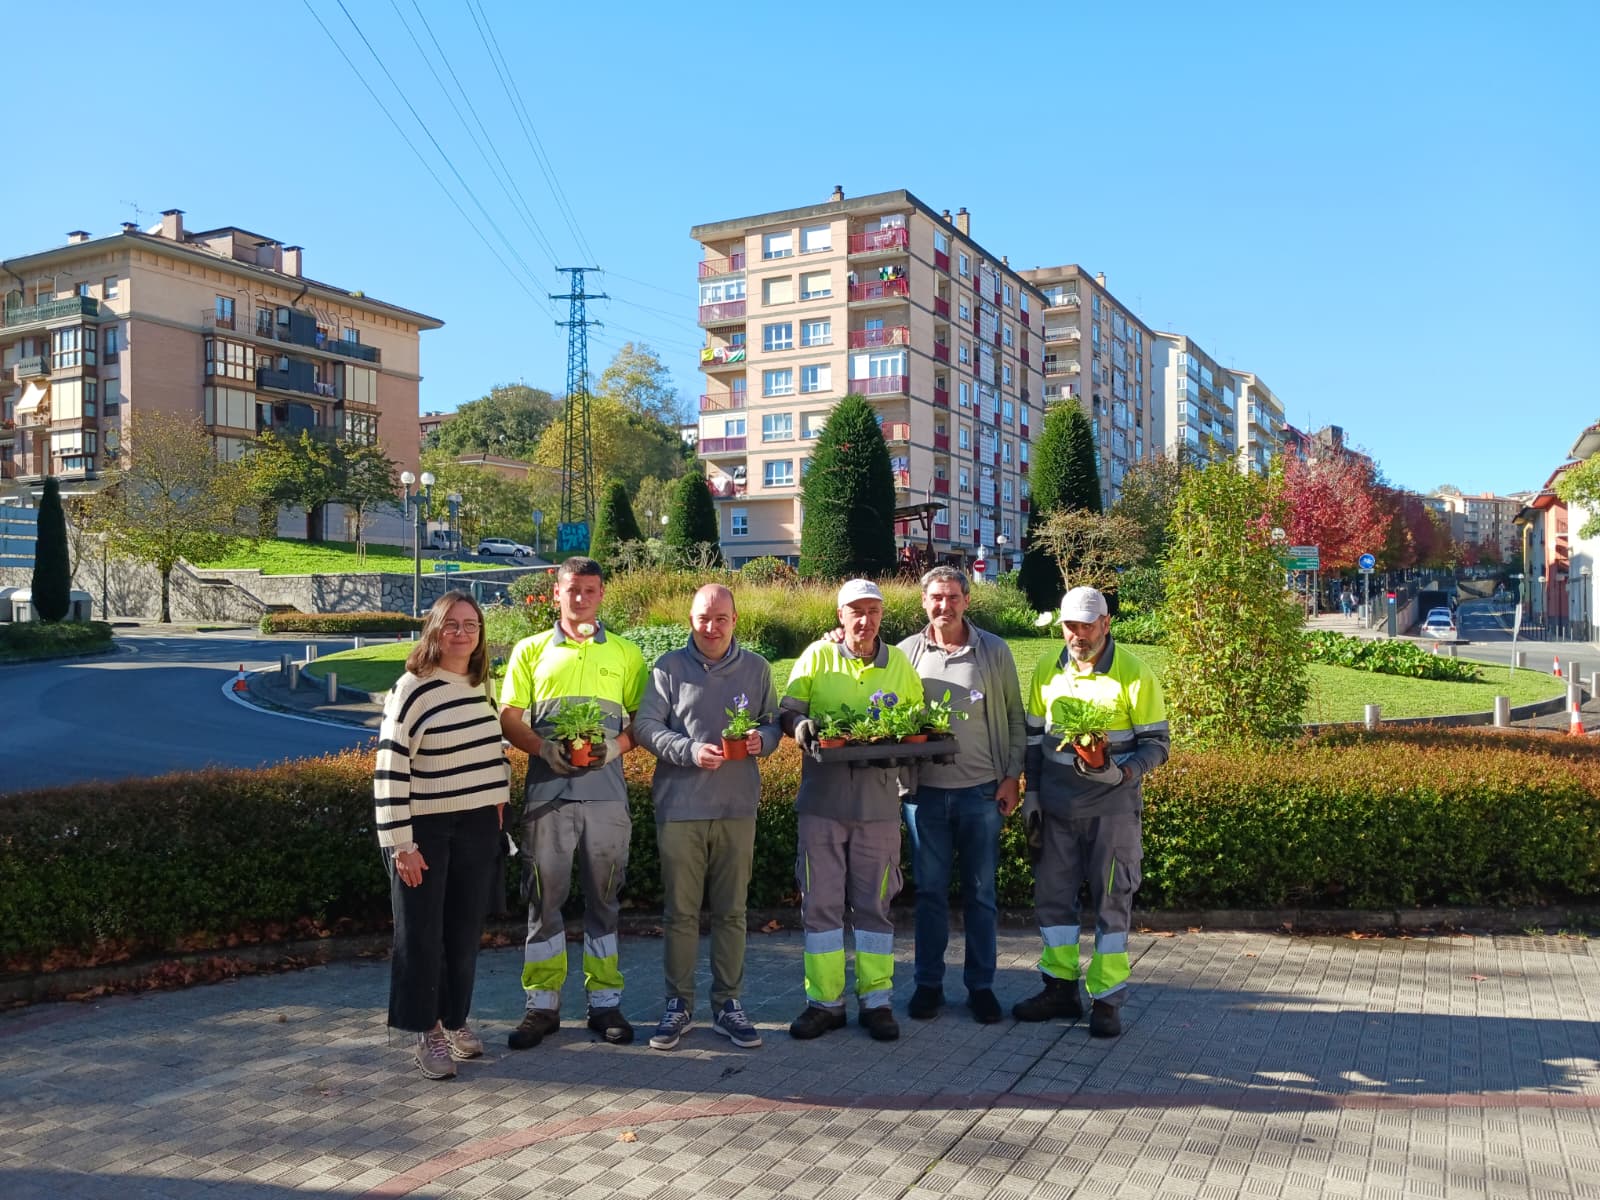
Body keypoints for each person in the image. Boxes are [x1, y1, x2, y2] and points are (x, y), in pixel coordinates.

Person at [498, 557, 647, 1049]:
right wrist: (542, 748)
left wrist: (616, 749)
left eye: (590, 589)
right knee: (545, 901)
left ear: (602, 594)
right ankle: (542, 1007)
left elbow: (642, 722)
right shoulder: (530, 650)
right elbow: (509, 716)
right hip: (547, 799)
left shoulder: (626, 654)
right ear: (556, 594)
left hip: (607, 800)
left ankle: (605, 1004)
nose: (580, 597)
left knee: (605, 901)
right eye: (572, 590)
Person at [1015, 586, 1169, 1038]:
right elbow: (1033, 742)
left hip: (1113, 813)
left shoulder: (1134, 674)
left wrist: (1121, 774)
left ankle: (1107, 1000)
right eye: (1070, 625)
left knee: (1112, 901)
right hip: (1058, 810)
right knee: (1054, 902)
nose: (1078, 634)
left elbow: (1157, 745)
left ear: (1105, 623)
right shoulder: (1047, 668)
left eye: (1086, 624)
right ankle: (1060, 989)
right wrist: (1033, 794)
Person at [633, 584, 781, 1051]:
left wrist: (764, 740)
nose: (711, 627)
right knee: (680, 914)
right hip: (680, 808)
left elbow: (772, 722)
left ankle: (728, 1005)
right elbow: (645, 727)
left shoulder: (756, 668)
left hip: (737, 807)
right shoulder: (668, 668)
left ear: (735, 620)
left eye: (721, 618)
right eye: (703, 618)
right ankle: (678, 1004)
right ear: (690, 620)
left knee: (732, 912)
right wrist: (690, 750)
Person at [374, 590, 510, 1080]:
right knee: (421, 935)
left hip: (476, 824)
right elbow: (389, 767)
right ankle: (426, 1032)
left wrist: (500, 796)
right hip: (424, 831)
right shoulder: (412, 687)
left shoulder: (480, 684)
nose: (461, 633)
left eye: (471, 625)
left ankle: (456, 1020)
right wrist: (400, 844)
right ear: (434, 629)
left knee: (462, 933)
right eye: (451, 624)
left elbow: (492, 747)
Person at [780, 579, 923, 1042]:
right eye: (855, 611)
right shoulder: (816, 656)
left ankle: (876, 1000)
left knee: (875, 905)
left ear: (882, 615)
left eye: (873, 611)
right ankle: (825, 1002)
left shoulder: (899, 663)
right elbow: (790, 710)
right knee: (819, 904)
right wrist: (800, 724)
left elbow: (918, 722)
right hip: (821, 804)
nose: (865, 620)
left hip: (879, 806)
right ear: (840, 616)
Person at [897, 567, 1027, 1025]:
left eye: (952, 597)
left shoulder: (992, 651)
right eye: (936, 598)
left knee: (981, 893)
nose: (943, 606)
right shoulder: (906, 653)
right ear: (923, 602)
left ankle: (981, 987)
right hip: (924, 797)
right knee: (929, 894)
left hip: (981, 793)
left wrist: (1012, 776)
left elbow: (1014, 717)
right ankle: (928, 985)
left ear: (967, 600)